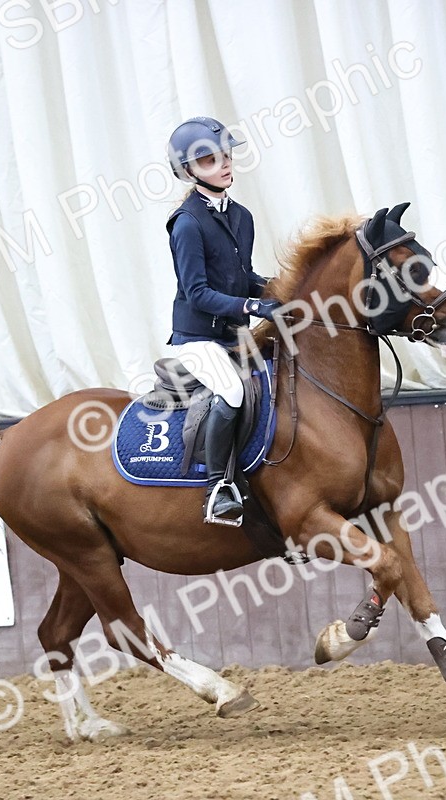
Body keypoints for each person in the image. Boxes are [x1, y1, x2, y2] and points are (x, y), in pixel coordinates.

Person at [165, 116, 280, 525]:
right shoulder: (187, 223)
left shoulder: (242, 216)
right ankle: (218, 488)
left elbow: (241, 276)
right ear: (189, 170)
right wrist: (252, 308)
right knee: (232, 392)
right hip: (197, 338)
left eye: (226, 156)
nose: (225, 164)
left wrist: (277, 290)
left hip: (233, 334)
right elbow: (197, 293)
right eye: (211, 160)